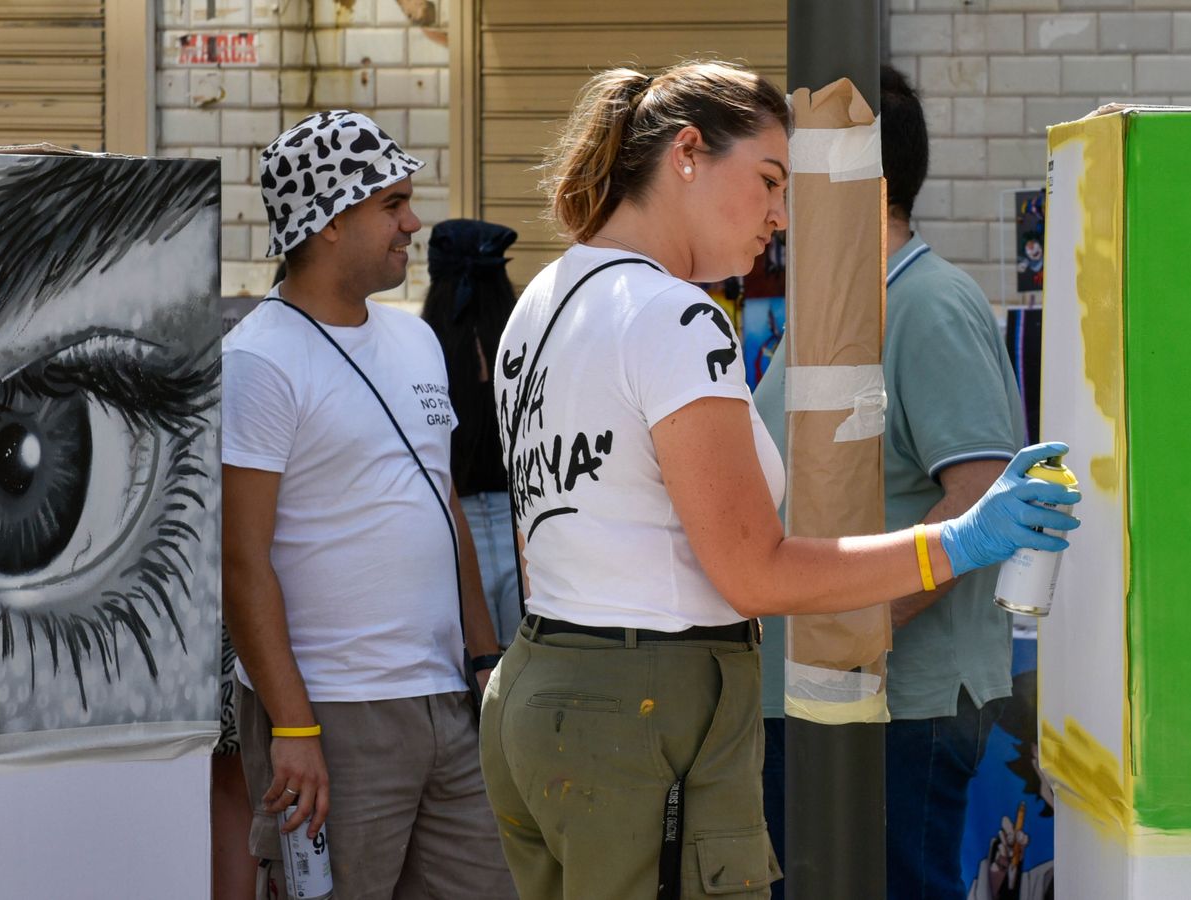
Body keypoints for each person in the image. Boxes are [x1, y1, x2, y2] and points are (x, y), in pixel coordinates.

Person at [479, 60, 1080, 900]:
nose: (780, 215)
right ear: (686, 152)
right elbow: (753, 572)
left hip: (543, 687)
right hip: (652, 709)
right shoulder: (676, 315)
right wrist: (961, 539)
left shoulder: (544, 297)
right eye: (767, 180)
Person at [221, 109, 515, 898]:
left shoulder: (415, 340)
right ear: (328, 221)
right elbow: (241, 562)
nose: (412, 222)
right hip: (332, 717)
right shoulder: (259, 359)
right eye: (392, 204)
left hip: (444, 701)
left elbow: (443, 504)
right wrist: (292, 726)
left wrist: (485, 662)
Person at [755, 65, 1030, 900]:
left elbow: (981, 497)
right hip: (824, 694)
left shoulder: (929, 304)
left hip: (896, 705)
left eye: (782, 169)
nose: (772, 197)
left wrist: (854, 631)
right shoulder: (842, 300)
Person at [421, 218, 524, 649]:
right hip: (522, 525)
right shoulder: (523, 339)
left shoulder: (422, 346)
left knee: (469, 675)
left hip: (452, 524)